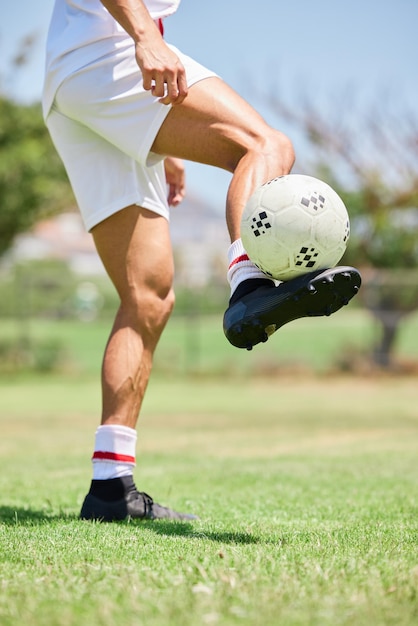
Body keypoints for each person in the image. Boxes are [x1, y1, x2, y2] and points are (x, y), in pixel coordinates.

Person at [43, 0, 361, 522]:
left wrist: (161, 144)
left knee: (147, 297)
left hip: (73, 84)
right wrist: (146, 37)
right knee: (264, 145)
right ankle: (249, 283)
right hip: (109, 52)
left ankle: (109, 487)